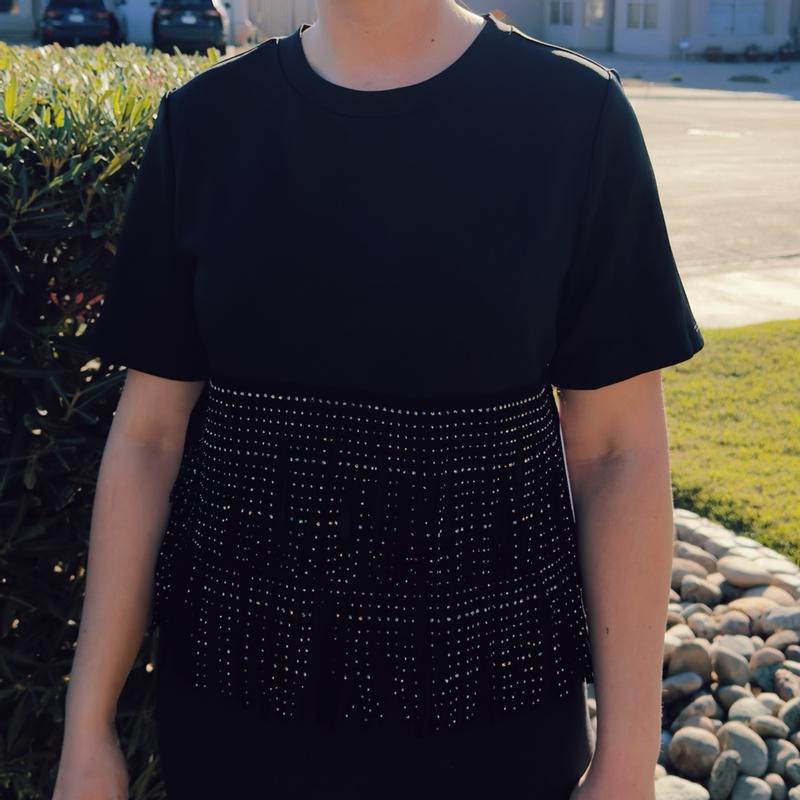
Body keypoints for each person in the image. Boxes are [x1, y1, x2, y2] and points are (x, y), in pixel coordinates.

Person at [52, 2, 704, 799]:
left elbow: (617, 453)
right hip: (232, 728)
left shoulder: (575, 119)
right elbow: (149, 440)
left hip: (495, 735)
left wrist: (628, 760)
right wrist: (88, 729)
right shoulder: (205, 124)